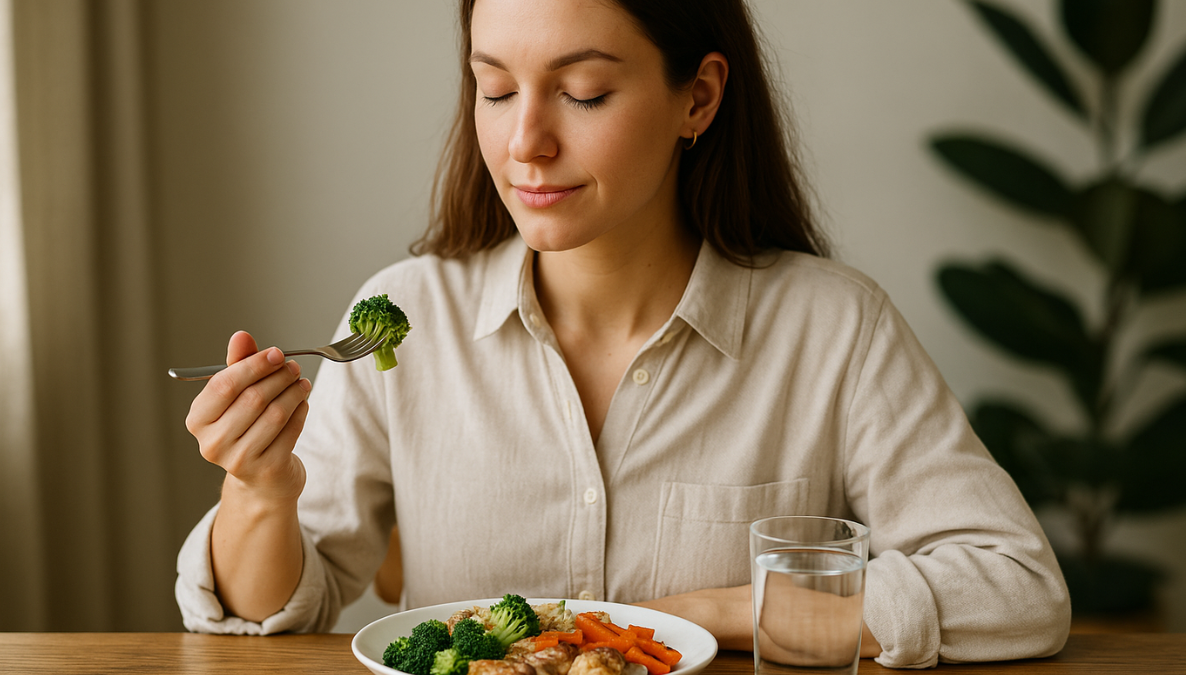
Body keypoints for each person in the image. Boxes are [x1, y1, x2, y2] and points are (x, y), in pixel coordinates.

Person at [175, 0, 1071, 668]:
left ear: (700, 98)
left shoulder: (833, 328)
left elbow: (1018, 591)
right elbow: (273, 618)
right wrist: (259, 490)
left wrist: (720, 610)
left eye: (583, 93)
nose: (525, 141)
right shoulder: (405, 319)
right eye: (494, 88)